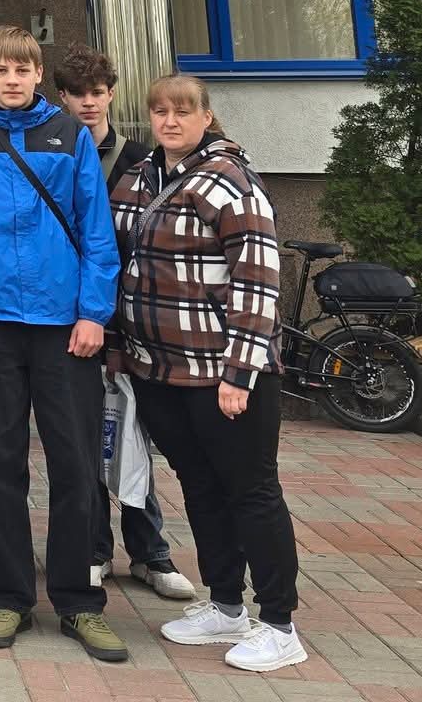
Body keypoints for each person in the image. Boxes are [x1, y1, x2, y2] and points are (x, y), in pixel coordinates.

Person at [0, 26, 125, 661]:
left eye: (23, 69)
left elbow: (97, 231)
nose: (12, 79)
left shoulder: (70, 134)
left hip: (63, 327)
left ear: (38, 73)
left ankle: (78, 601)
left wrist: (93, 313)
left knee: (75, 464)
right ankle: (10, 596)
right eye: (1, 70)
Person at [114, 75, 305, 674]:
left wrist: (240, 372)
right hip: (160, 370)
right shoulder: (141, 177)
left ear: (206, 116)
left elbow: (258, 281)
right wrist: (121, 348)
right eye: (160, 112)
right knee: (199, 486)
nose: (170, 121)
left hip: (224, 373)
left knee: (251, 491)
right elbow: (118, 262)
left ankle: (279, 623)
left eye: (182, 111)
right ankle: (225, 604)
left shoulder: (231, 182)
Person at [54, 43, 195, 604]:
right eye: (77, 94)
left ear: (111, 94)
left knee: (135, 434)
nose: (88, 103)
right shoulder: (55, 150)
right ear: (62, 98)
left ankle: (150, 552)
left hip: (134, 318)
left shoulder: (143, 158)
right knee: (85, 438)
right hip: (78, 317)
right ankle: (94, 549)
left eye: (97, 93)